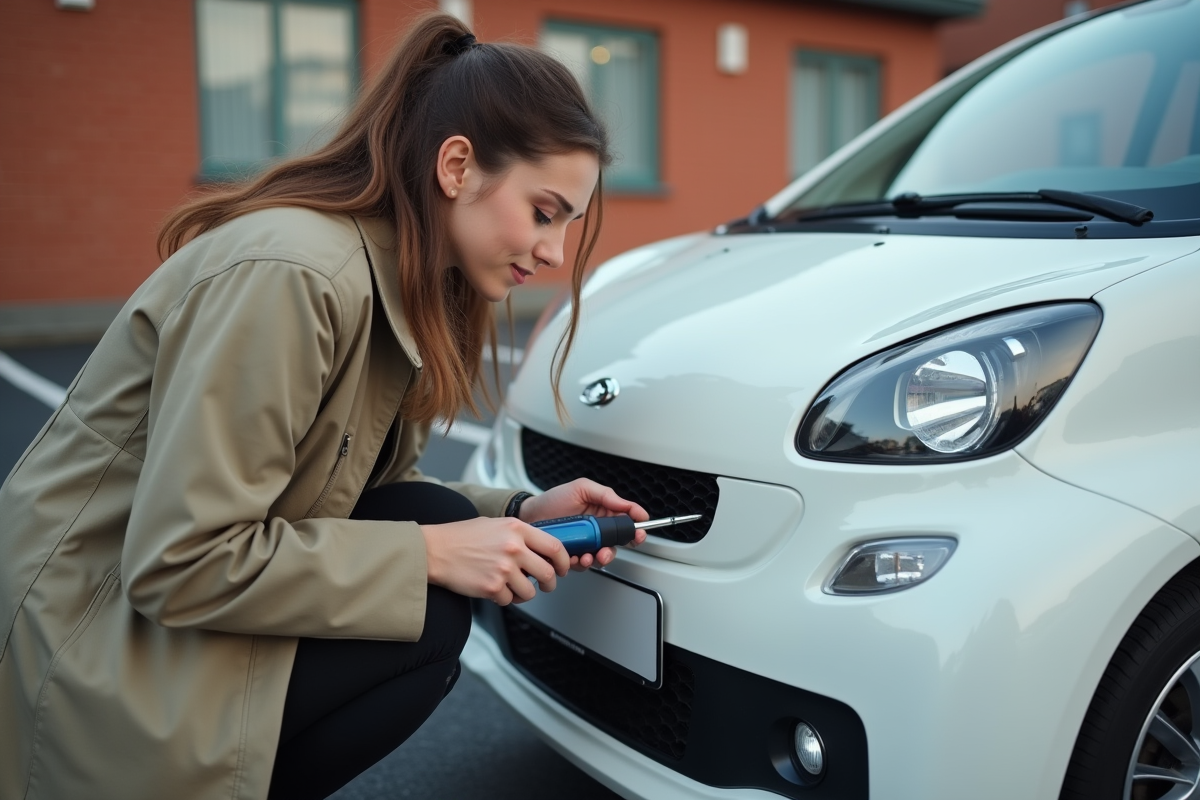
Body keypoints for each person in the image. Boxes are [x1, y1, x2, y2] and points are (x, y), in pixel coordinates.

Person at [0, 13, 649, 800]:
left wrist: (520, 510)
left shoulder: (404, 285)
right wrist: (434, 555)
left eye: (568, 227)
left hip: (172, 606)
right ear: (456, 166)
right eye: (544, 212)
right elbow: (178, 563)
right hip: (91, 642)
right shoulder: (295, 275)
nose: (554, 252)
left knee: (426, 535)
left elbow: (373, 499)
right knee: (431, 603)